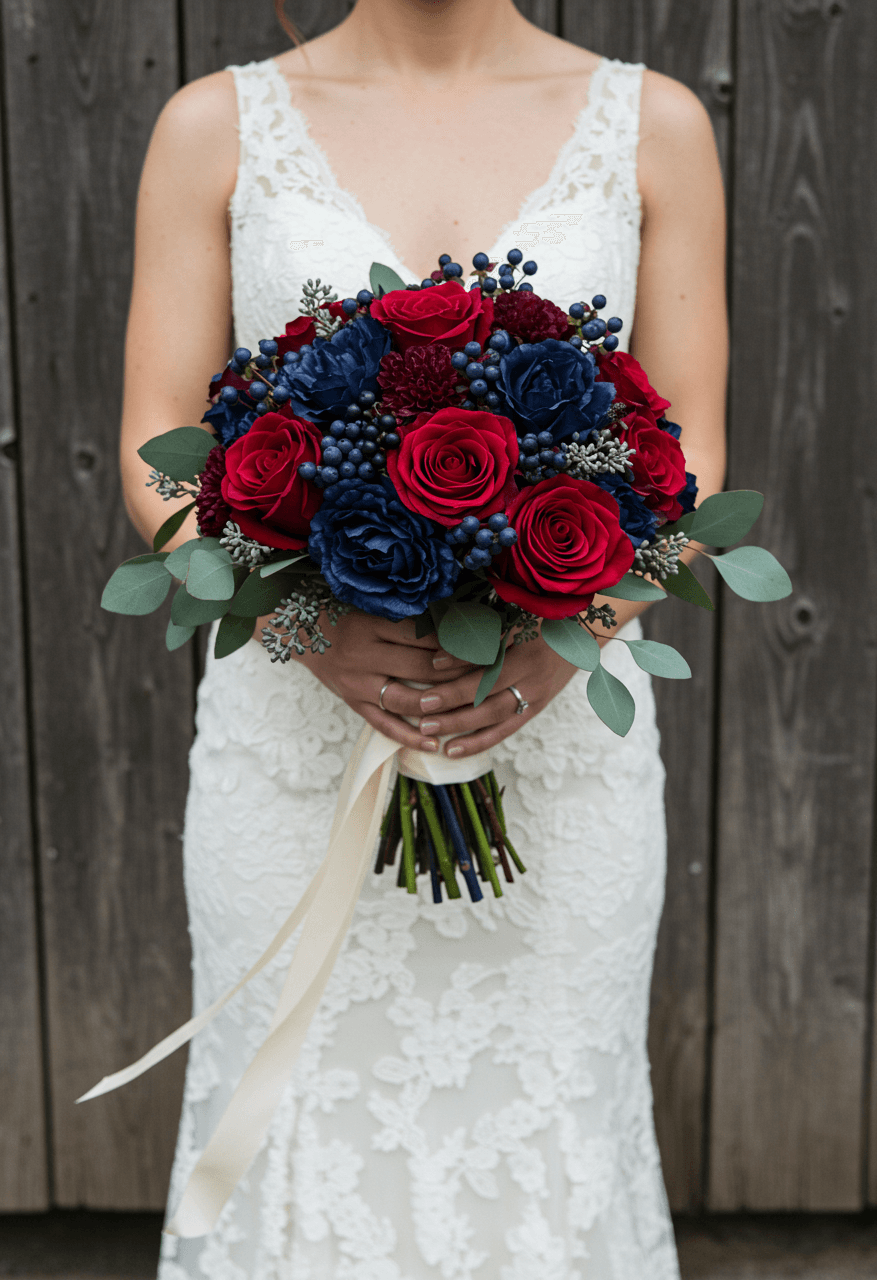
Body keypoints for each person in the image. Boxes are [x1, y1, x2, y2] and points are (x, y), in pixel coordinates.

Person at [120, 1, 726, 1275]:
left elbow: (689, 466)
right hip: (294, 742)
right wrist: (303, 624)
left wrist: (568, 638)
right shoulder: (213, 129)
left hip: (556, 756)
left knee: (549, 1135)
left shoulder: (653, 126)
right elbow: (158, 453)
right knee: (292, 1127)